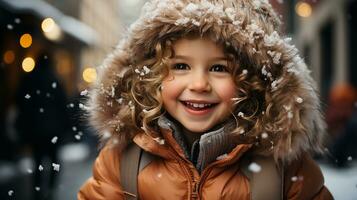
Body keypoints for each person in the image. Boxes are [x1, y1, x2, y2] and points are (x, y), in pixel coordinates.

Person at [78, 0, 333, 199]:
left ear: (255, 80)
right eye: (180, 66)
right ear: (150, 74)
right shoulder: (123, 161)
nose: (199, 84)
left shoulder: (283, 167)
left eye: (219, 68)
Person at [15, 51, 70, 200]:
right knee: (53, 161)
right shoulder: (55, 81)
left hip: (36, 130)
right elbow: (63, 107)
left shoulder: (29, 79)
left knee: (37, 160)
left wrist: (23, 127)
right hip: (53, 131)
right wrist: (64, 128)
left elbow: (21, 102)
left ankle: (37, 190)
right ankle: (50, 189)